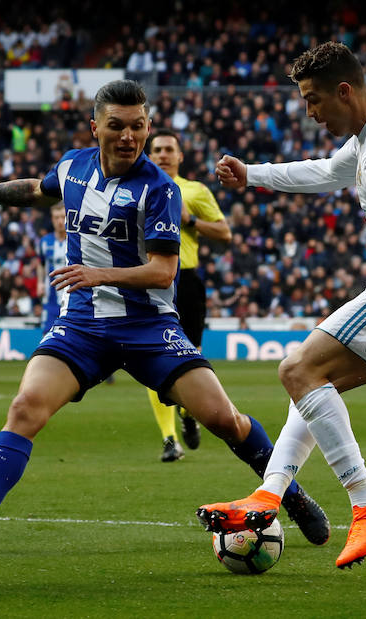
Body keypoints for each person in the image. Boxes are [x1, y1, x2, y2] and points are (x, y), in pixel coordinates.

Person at [0, 79, 330, 554]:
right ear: (94, 126)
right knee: (24, 408)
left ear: (148, 126)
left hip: (150, 328)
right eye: (116, 126)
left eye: (137, 126)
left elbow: (163, 272)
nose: (128, 137)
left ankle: (292, 494)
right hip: (82, 325)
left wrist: (99, 274)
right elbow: (37, 191)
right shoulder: (73, 165)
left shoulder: (160, 190)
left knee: (224, 419)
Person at [199, 42, 366, 569]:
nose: (310, 112)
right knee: (311, 383)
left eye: (314, 99)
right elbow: (325, 174)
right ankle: (270, 495)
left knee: (297, 368)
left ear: (344, 90)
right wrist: (253, 174)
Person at [145, 128, 232, 462]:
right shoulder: (136, 187)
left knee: (188, 357)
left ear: (180, 156)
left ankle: (186, 412)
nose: (164, 154)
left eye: (170, 149)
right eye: (158, 150)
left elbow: (224, 233)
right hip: (148, 279)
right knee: (151, 357)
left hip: (186, 281)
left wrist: (190, 220)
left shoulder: (195, 191)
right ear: (149, 155)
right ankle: (169, 439)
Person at [37, 202, 68, 333]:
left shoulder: (74, 240)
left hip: (71, 299)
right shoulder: (45, 241)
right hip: (50, 300)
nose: (60, 221)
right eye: (56, 217)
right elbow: (41, 262)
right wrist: (40, 283)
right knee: (47, 334)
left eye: (62, 217)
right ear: (52, 219)